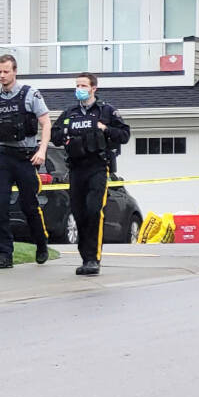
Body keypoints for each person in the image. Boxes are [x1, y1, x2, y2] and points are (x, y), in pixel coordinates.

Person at [51, 72, 130, 276]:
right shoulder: (70, 113)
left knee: (94, 210)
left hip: (97, 167)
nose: (79, 88)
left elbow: (124, 135)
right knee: (79, 213)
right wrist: (66, 134)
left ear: (94, 88)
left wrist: (104, 128)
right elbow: (55, 135)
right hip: (76, 168)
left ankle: (93, 259)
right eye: (77, 85)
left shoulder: (106, 111)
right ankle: (85, 258)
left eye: (83, 85)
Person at [0, 54, 52, 268]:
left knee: (29, 205)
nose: (1, 76)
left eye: (6, 71)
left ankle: (41, 244)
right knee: (0, 206)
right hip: (3, 157)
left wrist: (42, 150)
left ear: (14, 71)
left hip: (25, 158)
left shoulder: (30, 94)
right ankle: (5, 254)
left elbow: (46, 123)